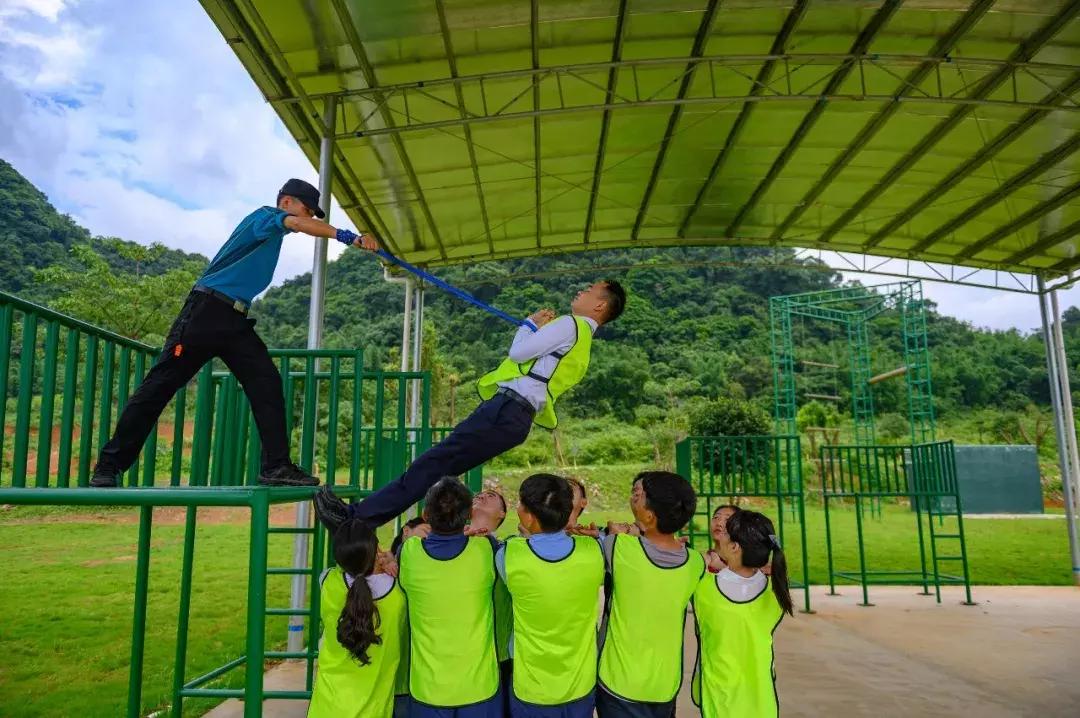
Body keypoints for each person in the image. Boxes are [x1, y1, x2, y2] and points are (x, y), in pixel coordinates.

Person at [90, 179, 378, 488]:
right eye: (307, 210)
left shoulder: (273, 232)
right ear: (287, 203)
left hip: (235, 320)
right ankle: (108, 466)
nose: (308, 218)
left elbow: (300, 224)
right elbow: (299, 224)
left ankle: (276, 467)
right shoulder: (266, 217)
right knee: (159, 386)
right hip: (205, 312)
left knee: (266, 382)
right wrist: (349, 237)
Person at [314, 280, 626, 525]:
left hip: (505, 409)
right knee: (434, 469)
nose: (582, 291)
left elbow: (518, 354)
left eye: (590, 290)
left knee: (431, 464)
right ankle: (359, 519)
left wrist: (528, 325)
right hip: (518, 419)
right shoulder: (584, 344)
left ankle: (356, 518)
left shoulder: (570, 324)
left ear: (599, 304)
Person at [596, 472, 704, 718]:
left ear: (649, 515)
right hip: (665, 685)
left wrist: (614, 531)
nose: (632, 498)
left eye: (638, 494)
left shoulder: (619, 548)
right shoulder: (695, 563)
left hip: (618, 682)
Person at [498, 474, 605, 718]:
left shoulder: (509, 555)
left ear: (527, 516)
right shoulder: (593, 551)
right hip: (580, 682)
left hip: (531, 686)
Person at [398, 478, 502, 717]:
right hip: (480, 688)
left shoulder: (409, 553)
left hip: (428, 690)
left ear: (425, 515)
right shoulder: (486, 549)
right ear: (468, 515)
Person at [691, 510, 794, 717]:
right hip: (762, 699)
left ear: (735, 547)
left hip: (719, 697)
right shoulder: (776, 592)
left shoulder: (703, 586)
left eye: (726, 532)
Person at [308, 519, 406, 718]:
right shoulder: (399, 593)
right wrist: (390, 562)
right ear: (377, 550)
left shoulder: (327, 581)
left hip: (326, 707)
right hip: (374, 711)